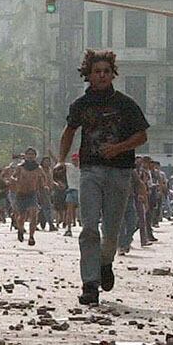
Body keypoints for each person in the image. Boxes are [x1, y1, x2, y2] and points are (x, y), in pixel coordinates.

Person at [58, 48, 149, 306]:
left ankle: (105, 263)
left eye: (106, 72)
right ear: (88, 75)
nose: (101, 76)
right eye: (97, 72)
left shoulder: (125, 104)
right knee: (88, 227)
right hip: (90, 170)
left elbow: (142, 136)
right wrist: (60, 160)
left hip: (120, 171)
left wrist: (118, 148)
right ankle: (89, 283)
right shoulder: (81, 105)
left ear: (112, 74)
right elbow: (69, 132)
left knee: (111, 229)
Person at [8, 146, 48, 245]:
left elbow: (44, 177)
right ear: (25, 156)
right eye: (28, 154)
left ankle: (31, 236)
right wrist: (14, 180)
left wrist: (44, 185)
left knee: (34, 214)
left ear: (35, 156)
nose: (30, 156)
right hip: (21, 194)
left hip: (32, 194)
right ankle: (20, 229)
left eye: (32, 155)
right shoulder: (20, 167)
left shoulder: (38, 168)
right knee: (21, 217)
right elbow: (13, 176)